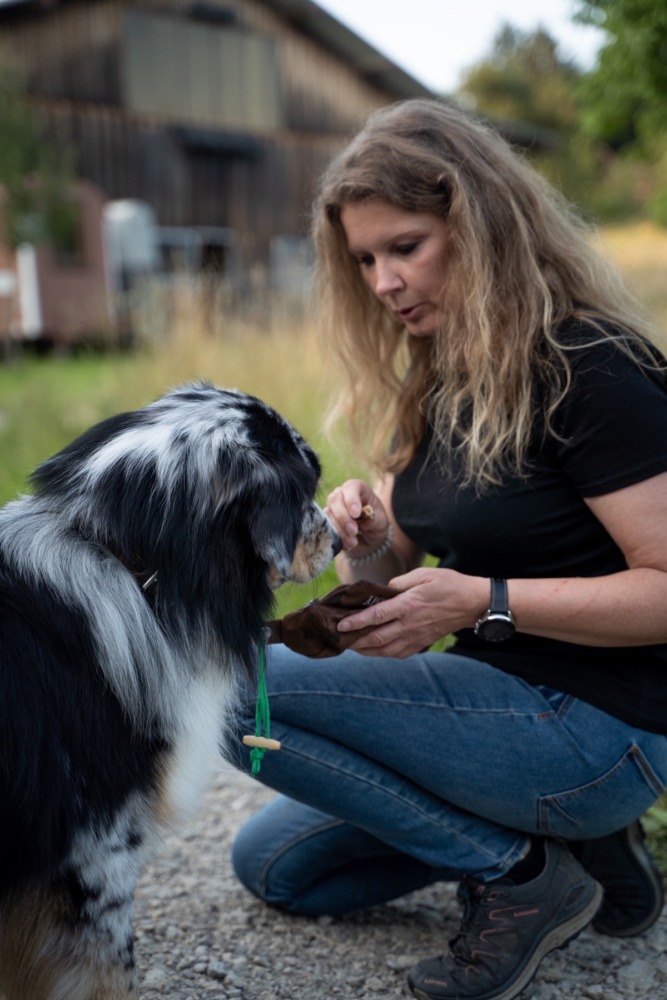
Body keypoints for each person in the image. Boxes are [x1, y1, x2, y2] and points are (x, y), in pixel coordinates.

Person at [229, 99, 667, 1000]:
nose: (384, 281)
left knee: (235, 690)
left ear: (479, 226)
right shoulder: (445, 381)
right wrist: (371, 536)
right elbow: (385, 582)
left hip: (602, 727)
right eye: (364, 259)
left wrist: (482, 600)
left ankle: (520, 879)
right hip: (497, 709)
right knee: (275, 869)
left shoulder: (592, 367)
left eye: (406, 246)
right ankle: (565, 849)